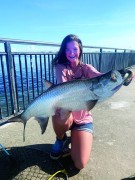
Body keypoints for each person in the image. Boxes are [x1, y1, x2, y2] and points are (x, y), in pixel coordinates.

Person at [50, 34, 103, 170]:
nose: (71, 53)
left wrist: (121, 77)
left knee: (79, 163)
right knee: (58, 113)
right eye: (67, 50)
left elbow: (100, 77)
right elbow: (64, 89)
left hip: (83, 119)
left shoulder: (87, 68)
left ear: (80, 49)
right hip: (68, 115)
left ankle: (75, 139)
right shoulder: (60, 67)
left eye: (74, 49)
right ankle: (61, 139)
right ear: (64, 51)